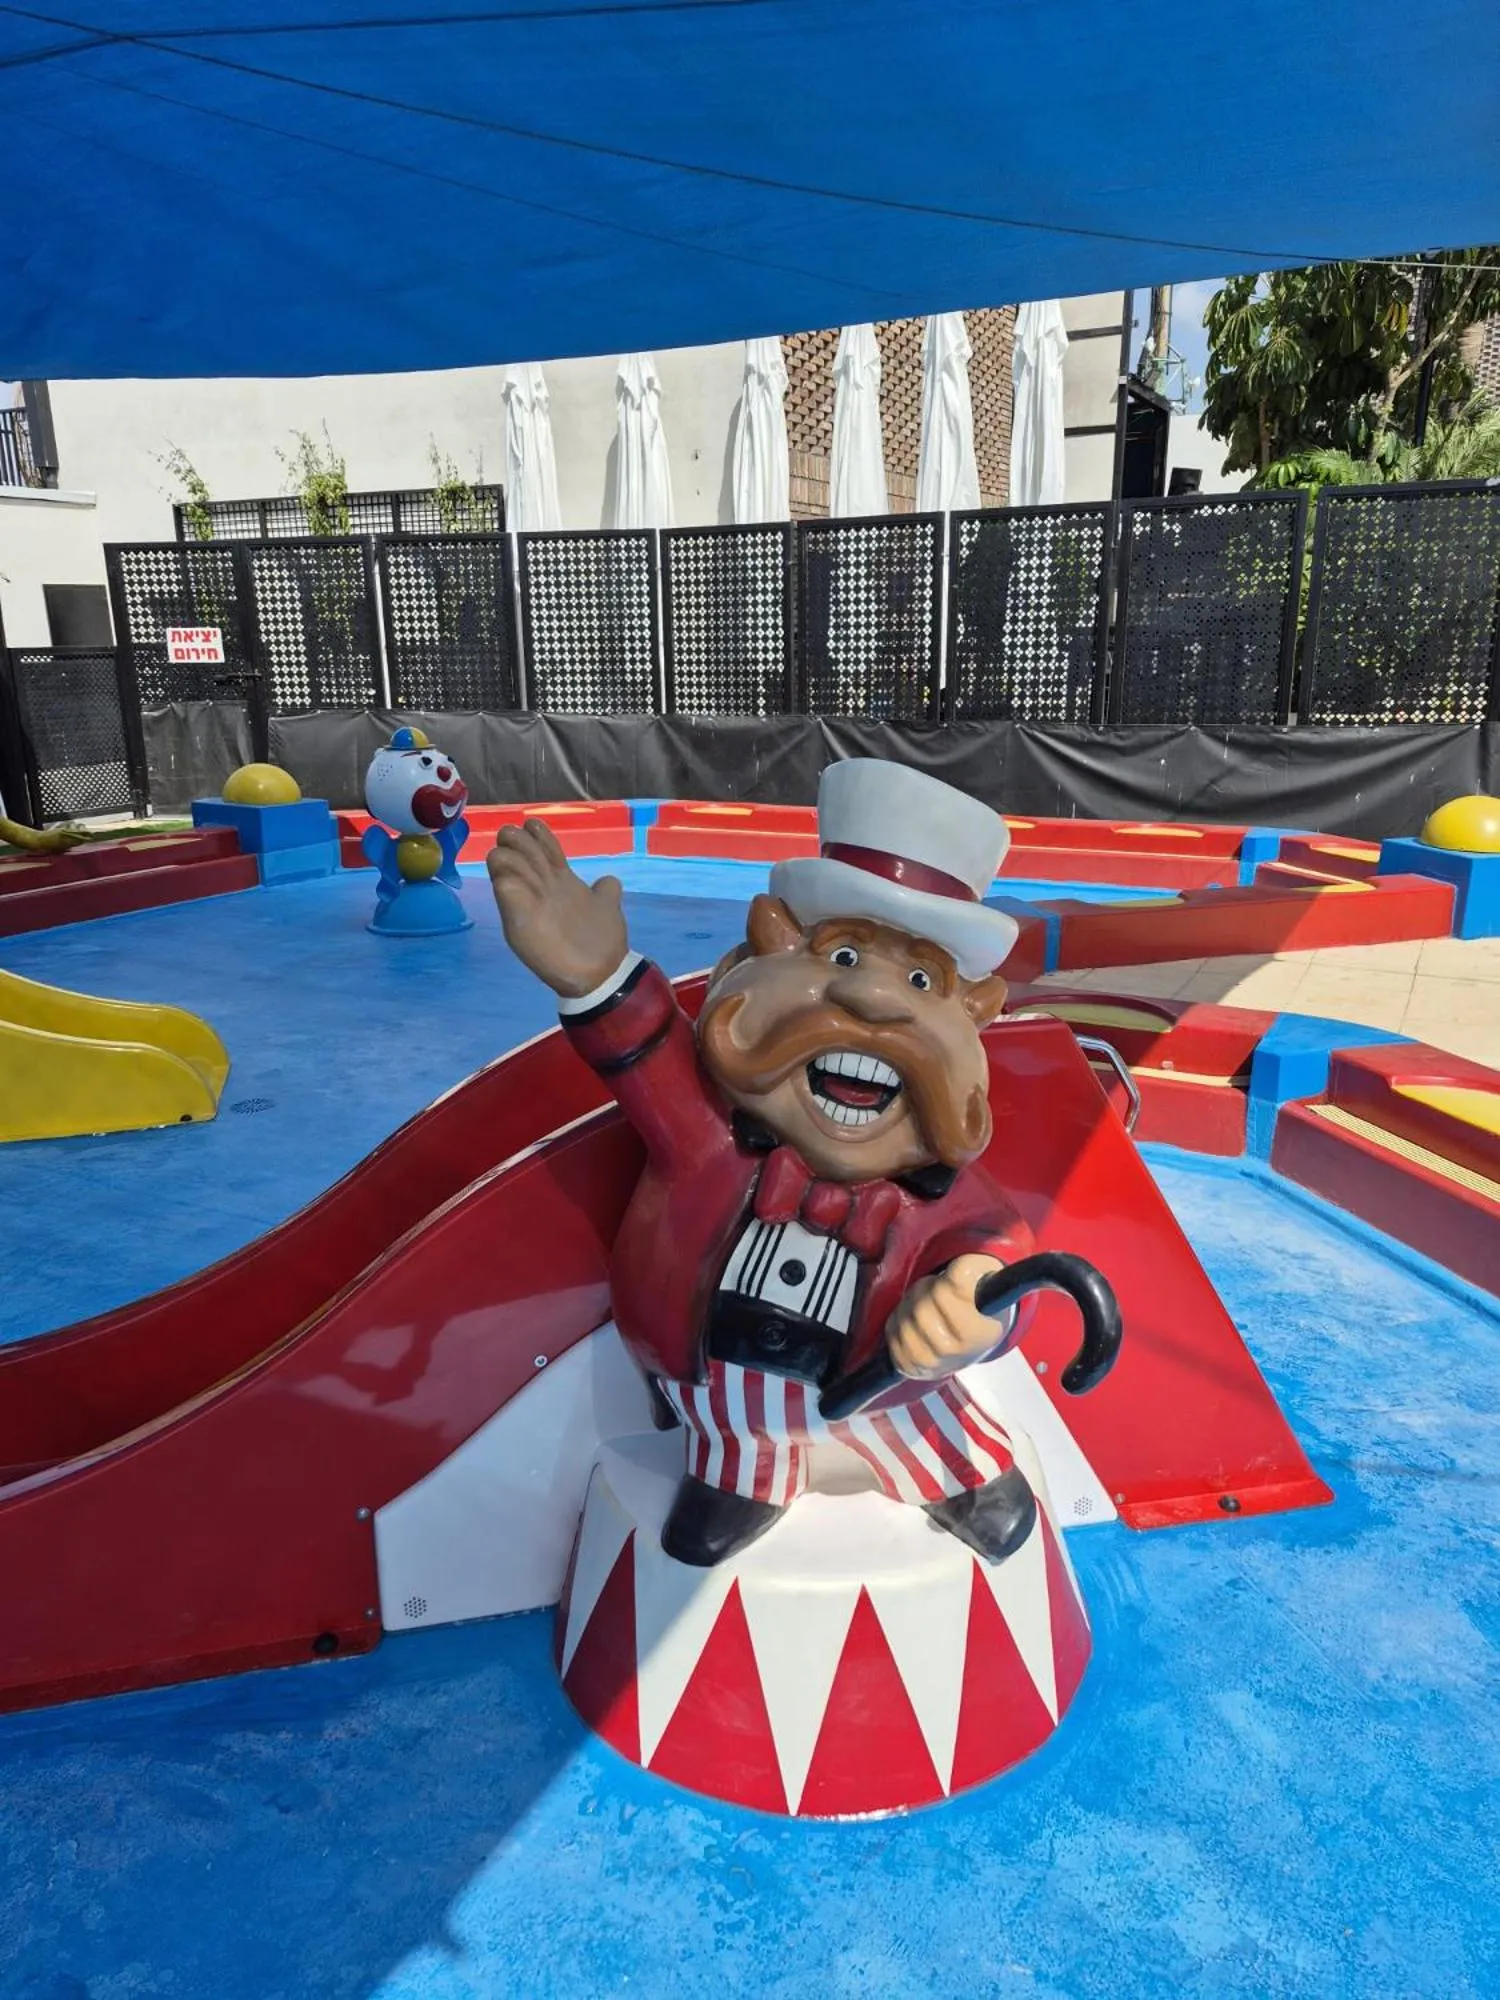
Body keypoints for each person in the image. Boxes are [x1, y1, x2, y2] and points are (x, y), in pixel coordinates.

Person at [488, 759, 1040, 1568]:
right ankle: (743, 1477)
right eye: (843, 959)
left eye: (920, 982)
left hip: (886, 1390)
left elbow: (999, 1244)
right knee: (732, 1438)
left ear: (971, 1022)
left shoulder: (935, 1189)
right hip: (722, 1389)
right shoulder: (708, 1132)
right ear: (759, 957)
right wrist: (596, 977)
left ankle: (960, 1470)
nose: (876, 1005)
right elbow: (642, 1049)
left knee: (927, 1430)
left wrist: (972, 1307)